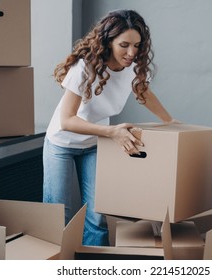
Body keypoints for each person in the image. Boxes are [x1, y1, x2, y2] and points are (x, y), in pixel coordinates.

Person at [43, 9, 177, 246]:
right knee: (58, 215)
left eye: (137, 45)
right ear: (108, 42)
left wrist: (170, 121)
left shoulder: (132, 67)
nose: (131, 52)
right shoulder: (84, 67)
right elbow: (67, 121)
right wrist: (112, 132)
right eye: (124, 45)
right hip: (61, 144)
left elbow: (143, 91)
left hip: (94, 144)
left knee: (97, 217)